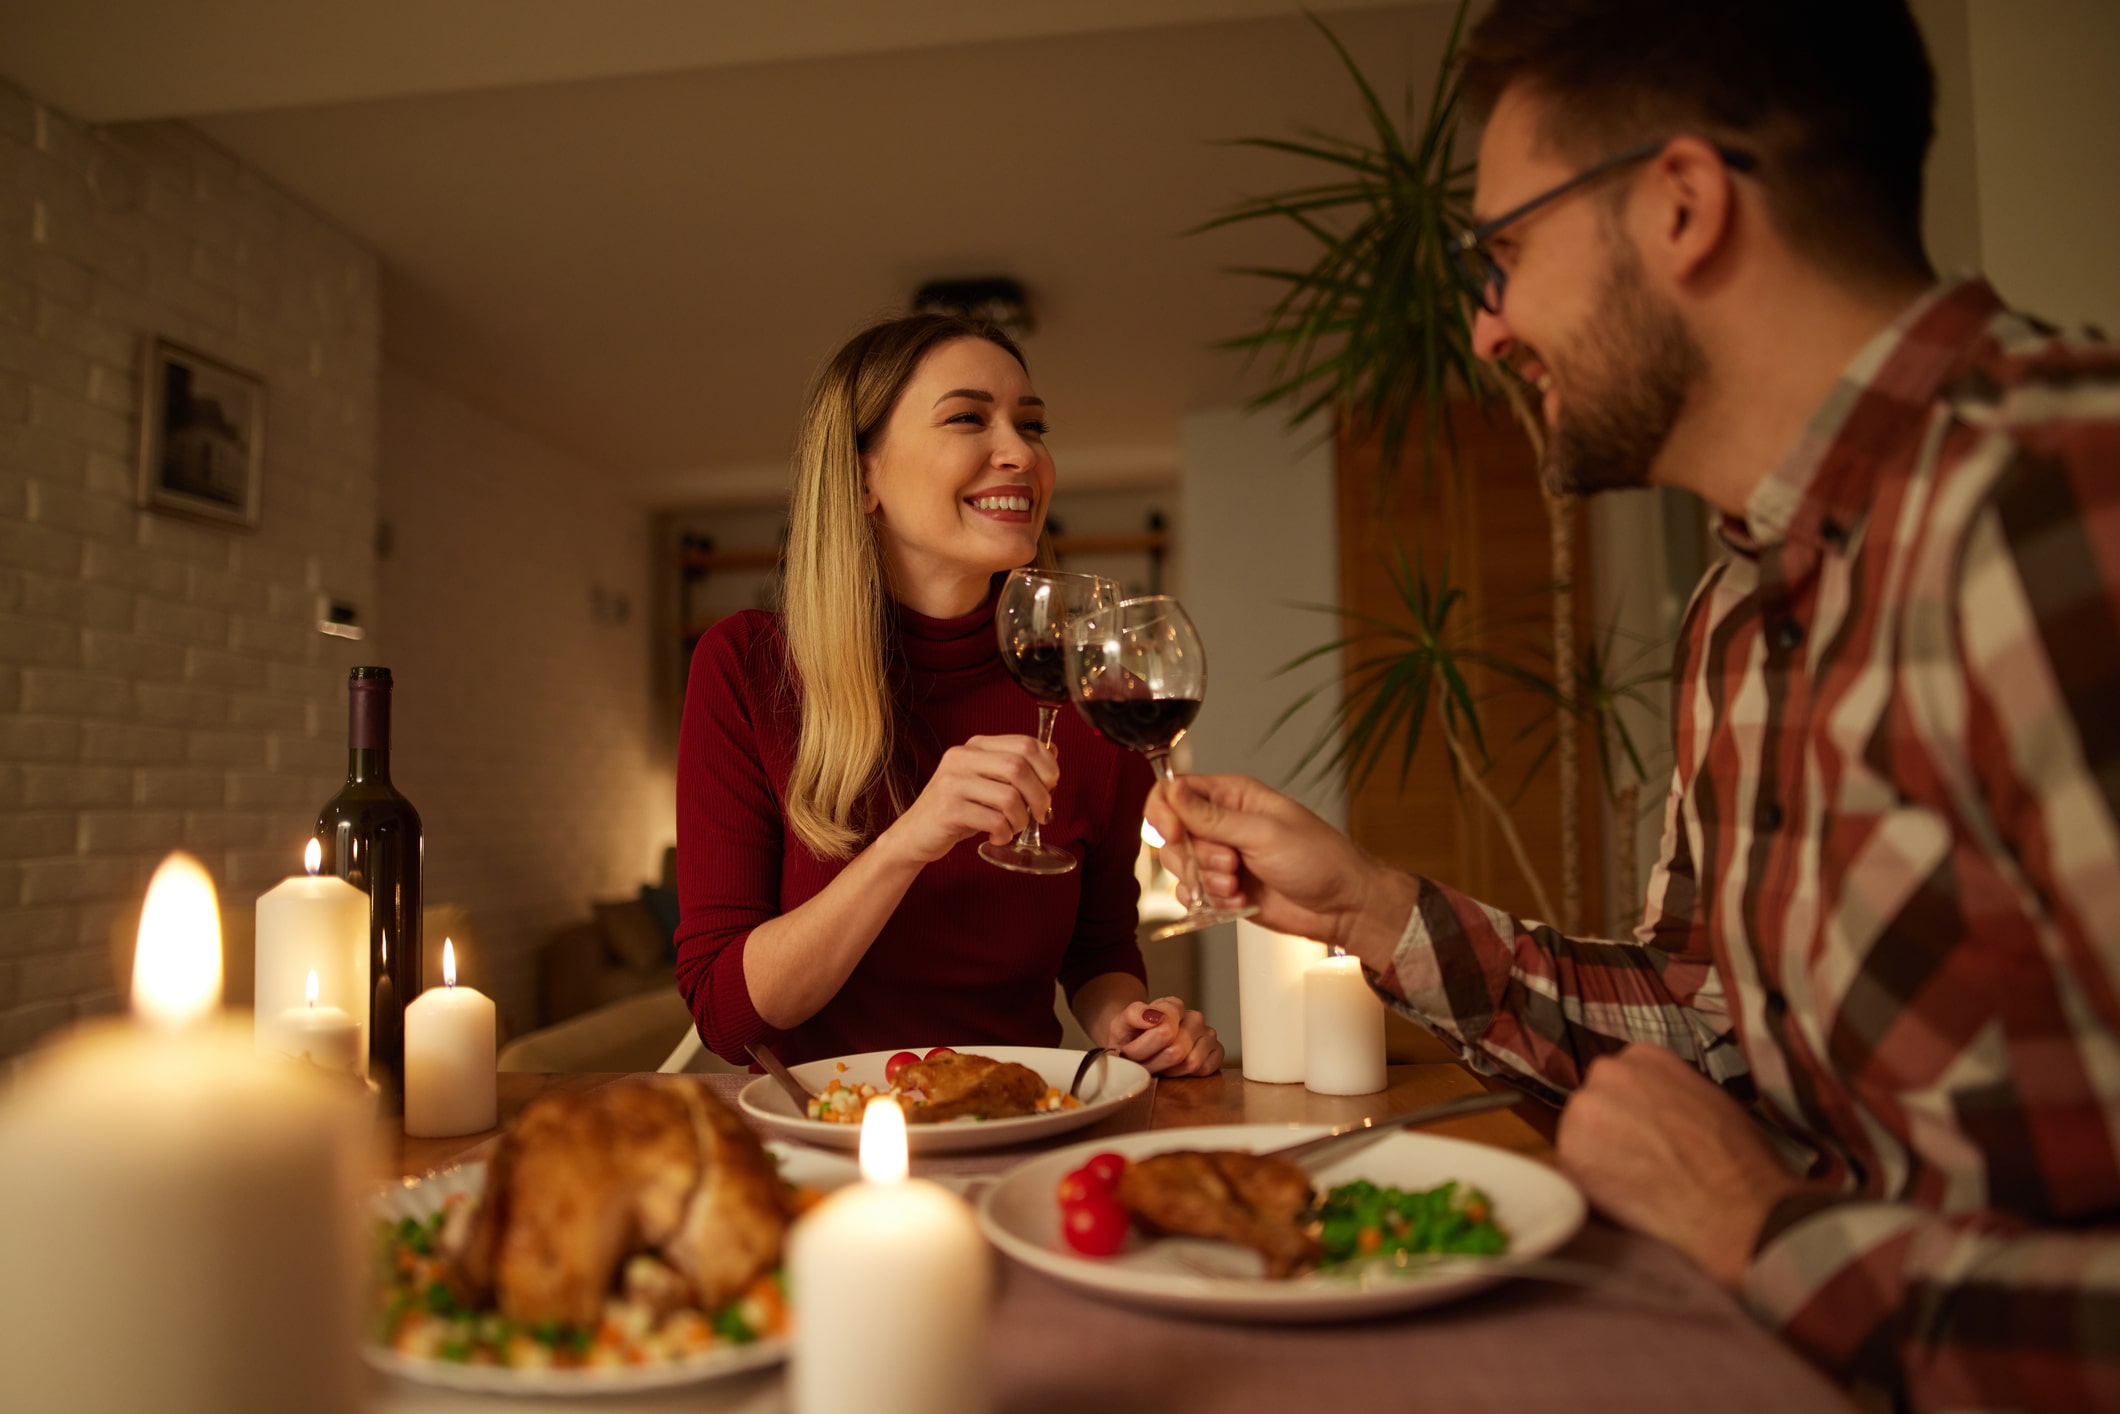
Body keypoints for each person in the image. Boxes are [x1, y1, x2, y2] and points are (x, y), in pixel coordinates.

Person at [1149, 1, 2119, 1407]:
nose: (1484, 329)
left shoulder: (2061, 503)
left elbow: (1744, 1191)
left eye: (1503, 253)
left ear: (1680, 205)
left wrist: (1759, 1230)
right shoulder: (1740, 602)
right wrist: (1369, 906)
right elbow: (1707, 1024)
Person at [675, 313, 1221, 1077]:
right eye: (969, 418)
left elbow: (1098, 949)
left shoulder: (1093, 695)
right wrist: (913, 838)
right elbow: (727, 1019)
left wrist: (1131, 1022)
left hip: (1024, 1119)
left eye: (1032, 426)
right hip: (825, 1140)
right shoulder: (746, 667)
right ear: (863, 476)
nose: (1021, 453)